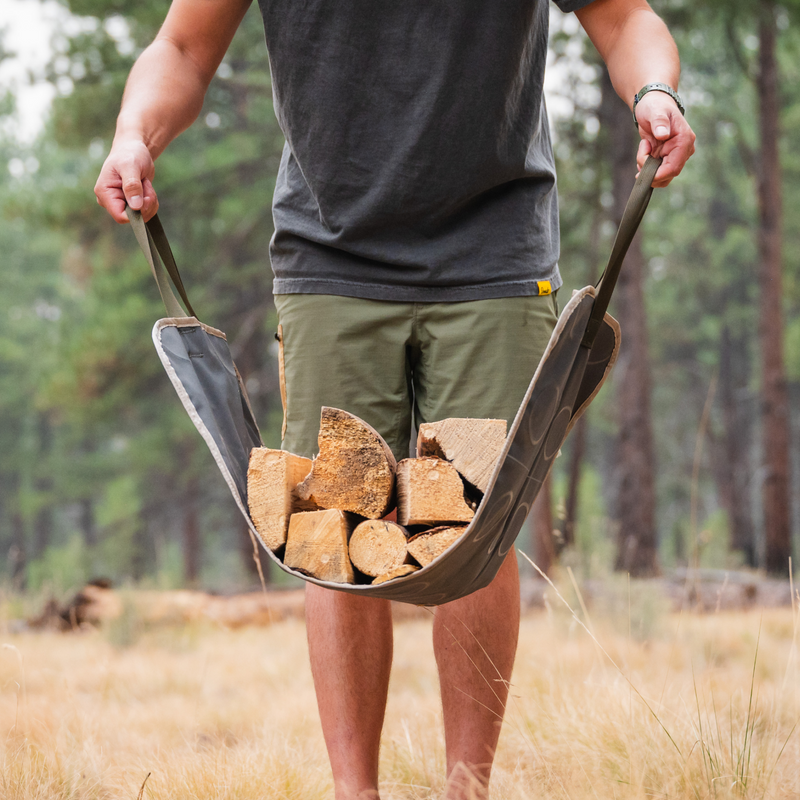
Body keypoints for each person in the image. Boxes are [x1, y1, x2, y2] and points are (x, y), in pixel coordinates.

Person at [95, 1, 695, 797]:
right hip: (330, 253)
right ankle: (356, 794)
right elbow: (181, 48)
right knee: (333, 529)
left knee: (479, 523)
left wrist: (657, 91)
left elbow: (626, 22)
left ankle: (467, 787)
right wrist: (136, 130)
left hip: (495, 252)